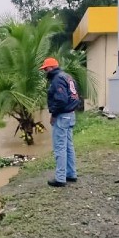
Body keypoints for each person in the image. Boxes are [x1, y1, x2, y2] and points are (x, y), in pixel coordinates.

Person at [40, 57, 80, 187]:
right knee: (69, 146)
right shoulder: (67, 77)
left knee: (60, 147)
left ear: (50, 68)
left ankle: (60, 178)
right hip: (71, 114)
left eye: (45, 69)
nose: (45, 72)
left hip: (62, 116)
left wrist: (54, 114)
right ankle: (71, 174)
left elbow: (61, 100)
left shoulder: (57, 80)